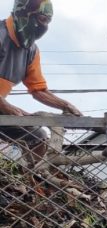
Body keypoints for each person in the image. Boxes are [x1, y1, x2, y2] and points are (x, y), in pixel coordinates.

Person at [0, 0, 82, 162]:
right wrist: (5, 105)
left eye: (47, 22)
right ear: (24, 14)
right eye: (42, 19)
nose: (43, 26)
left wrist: (66, 105)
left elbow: (38, 90)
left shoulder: (31, 51)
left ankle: (31, 178)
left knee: (37, 135)